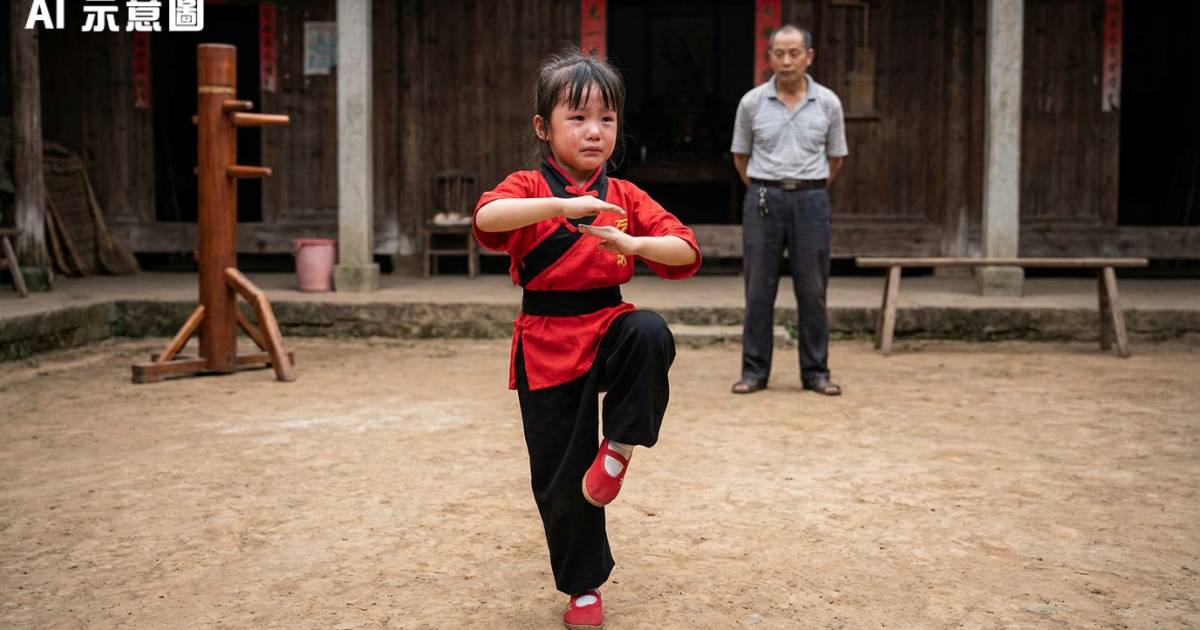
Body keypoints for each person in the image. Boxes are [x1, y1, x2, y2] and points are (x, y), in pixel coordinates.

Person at [473, 48, 701, 630]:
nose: (594, 131)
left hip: (608, 326)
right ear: (543, 128)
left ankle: (620, 448)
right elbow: (487, 220)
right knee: (558, 476)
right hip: (545, 343)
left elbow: (686, 250)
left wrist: (634, 246)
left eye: (606, 118)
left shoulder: (625, 196)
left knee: (649, 331)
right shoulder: (526, 186)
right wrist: (565, 205)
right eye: (577, 118)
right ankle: (583, 590)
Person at [730, 24, 848, 396]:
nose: (785, 61)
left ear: (809, 56)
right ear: (769, 58)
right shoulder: (751, 102)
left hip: (812, 199)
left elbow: (836, 159)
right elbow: (740, 157)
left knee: (812, 289)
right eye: (778, 53)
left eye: (794, 53)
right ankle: (754, 372)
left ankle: (816, 372)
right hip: (763, 197)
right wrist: (769, 187)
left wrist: (806, 188)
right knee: (759, 289)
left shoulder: (828, 102)